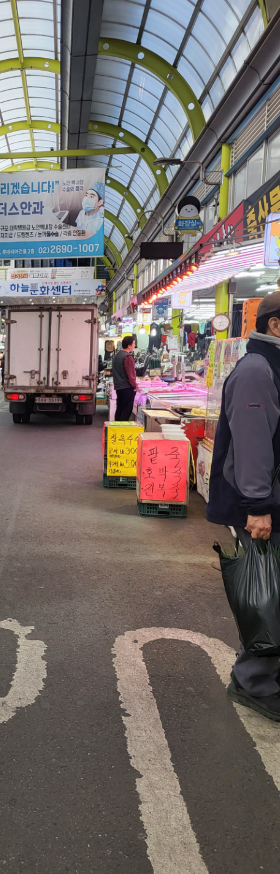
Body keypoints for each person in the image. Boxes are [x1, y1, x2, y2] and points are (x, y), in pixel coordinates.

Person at [207, 291, 280, 721]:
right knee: (266, 594)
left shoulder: (269, 365)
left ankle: (262, 677)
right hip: (261, 503)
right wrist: (257, 506)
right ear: (275, 324)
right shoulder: (256, 370)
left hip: (269, 498)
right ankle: (254, 681)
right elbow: (253, 443)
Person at [112, 335, 137, 421]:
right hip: (127, 387)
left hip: (119, 387)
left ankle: (116, 426)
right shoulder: (127, 357)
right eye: (133, 343)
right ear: (129, 346)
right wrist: (134, 386)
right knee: (126, 410)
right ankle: (122, 426)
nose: (134, 345)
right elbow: (131, 374)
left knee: (119, 408)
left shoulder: (117, 356)